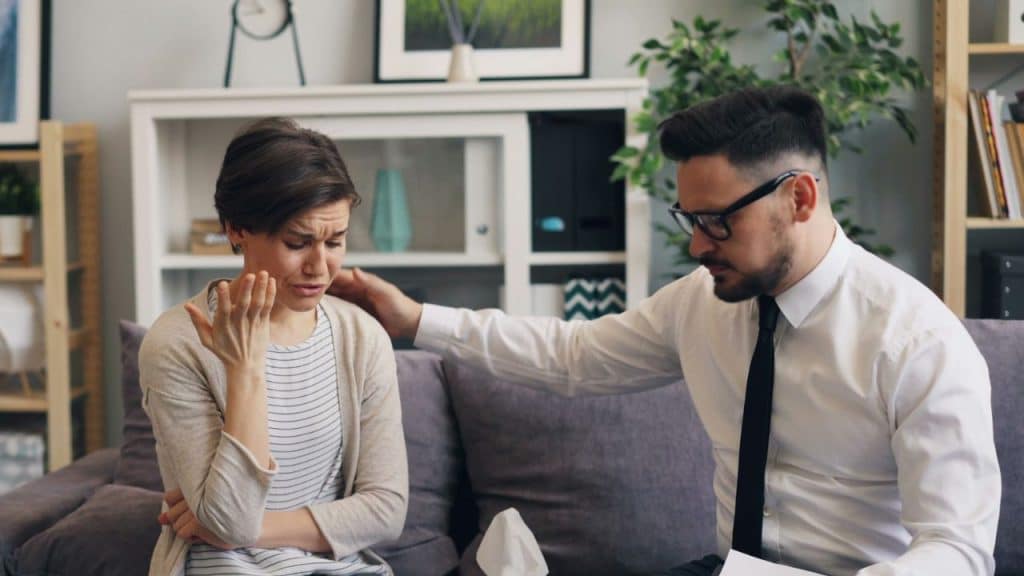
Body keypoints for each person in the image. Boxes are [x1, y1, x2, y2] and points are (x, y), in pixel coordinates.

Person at [329, 87, 1001, 576]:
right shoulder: (701, 305)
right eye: (690, 219)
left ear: (799, 198)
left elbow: (956, 547)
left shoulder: (918, 344)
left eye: (717, 221)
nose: (696, 245)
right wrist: (414, 318)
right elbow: (574, 356)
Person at [140, 117, 408, 576]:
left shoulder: (361, 339)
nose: (320, 267)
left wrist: (254, 528)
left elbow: (386, 510)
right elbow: (228, 517)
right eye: (298, 242)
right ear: (236, 228)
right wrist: (245, 371)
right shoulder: (178, 343)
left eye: (336, 241)